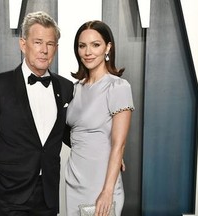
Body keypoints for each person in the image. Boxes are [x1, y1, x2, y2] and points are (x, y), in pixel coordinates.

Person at [0, 11, 73, 216]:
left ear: (56, 48)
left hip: (48, 195)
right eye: (37, 42)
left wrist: (105, 150)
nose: (44, 50)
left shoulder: (65, 87)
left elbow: (71, 135)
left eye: (50, 44)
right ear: (23, 44)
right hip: (9, 195)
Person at [65, 20, 134, 216]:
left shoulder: (118, 87)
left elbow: (119, 144)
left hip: (101, 183)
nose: (88, 52)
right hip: (73, 180)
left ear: (108, 47)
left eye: (96, 44)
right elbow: (74, 133)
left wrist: (107, 191)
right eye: (82, 45)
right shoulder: (75, 89)